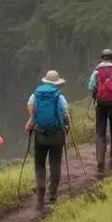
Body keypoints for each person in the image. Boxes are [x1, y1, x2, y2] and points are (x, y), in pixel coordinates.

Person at [25, 71, 71, 211]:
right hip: (57, 135)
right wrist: (67, 125)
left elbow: (31, 112)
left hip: (40, 135)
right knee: (55, 163)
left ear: (45, 82)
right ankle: (52, 194)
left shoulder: (35, 95)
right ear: (56, 83)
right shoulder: (59, 96)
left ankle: (40, 194)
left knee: (40, 165)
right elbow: (65, 114)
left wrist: (33, 122)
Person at [88, 49, 112, 173]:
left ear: (102, 57)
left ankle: (100, 159)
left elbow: (91, 86)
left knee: (100, 131)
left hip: (100, 103)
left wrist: (96, 94)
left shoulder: (97, 70)